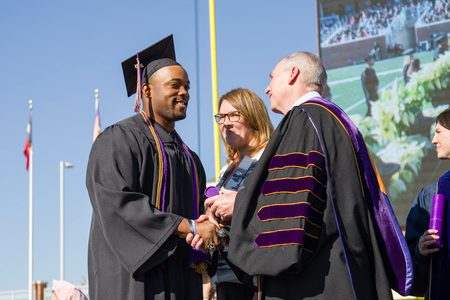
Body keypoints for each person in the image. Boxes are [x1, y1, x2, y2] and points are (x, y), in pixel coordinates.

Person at [218, 51, 413, 299]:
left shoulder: (303, 118)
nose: (267, 88)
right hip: (349, 266)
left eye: (272, 77)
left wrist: (241, 205)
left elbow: (292, 206)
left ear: (293, 74)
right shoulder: (338, 119)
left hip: (319, 279)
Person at [86, 34, 219, 300]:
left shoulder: (191, 159)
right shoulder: (118, 140)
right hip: (135, 279)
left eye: (188, 87)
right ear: (146, 90)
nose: (185, 93)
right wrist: (188, 227)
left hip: (182, 279)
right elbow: (119, 205)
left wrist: (206, 231)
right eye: (175, 85)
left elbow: (198, 218)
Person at [205, 88, 274, 300]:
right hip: (227, 274)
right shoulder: (227, 169)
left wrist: (240, 206)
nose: (226, 123)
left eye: (234, 115)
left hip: (258, 273)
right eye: (221, 117)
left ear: (253, 115)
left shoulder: (270, 158)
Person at [405, 108, 450, 299]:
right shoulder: (431, 195)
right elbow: (412, 274)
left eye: (439, 132)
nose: (433, 140)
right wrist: (420, 252)